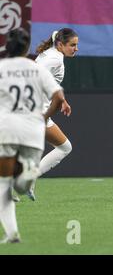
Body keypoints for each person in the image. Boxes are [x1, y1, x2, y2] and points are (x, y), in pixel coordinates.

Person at [0, 28, 64, 243]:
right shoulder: (36, 68)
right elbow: (58, 96)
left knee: (4, 184)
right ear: (26, 48)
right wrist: (44, 116)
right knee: (16, 179)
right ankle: (25, 179)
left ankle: (12, 233)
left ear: (7, 46)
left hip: (8, 128)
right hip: (32, 129)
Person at [23, 28, 78, 201]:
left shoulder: (51, 53)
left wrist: (62, 100)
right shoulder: (55, 60)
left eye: (76, 45)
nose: (75, 48)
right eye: (72, 45)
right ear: (60, 44)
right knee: (64, 147)